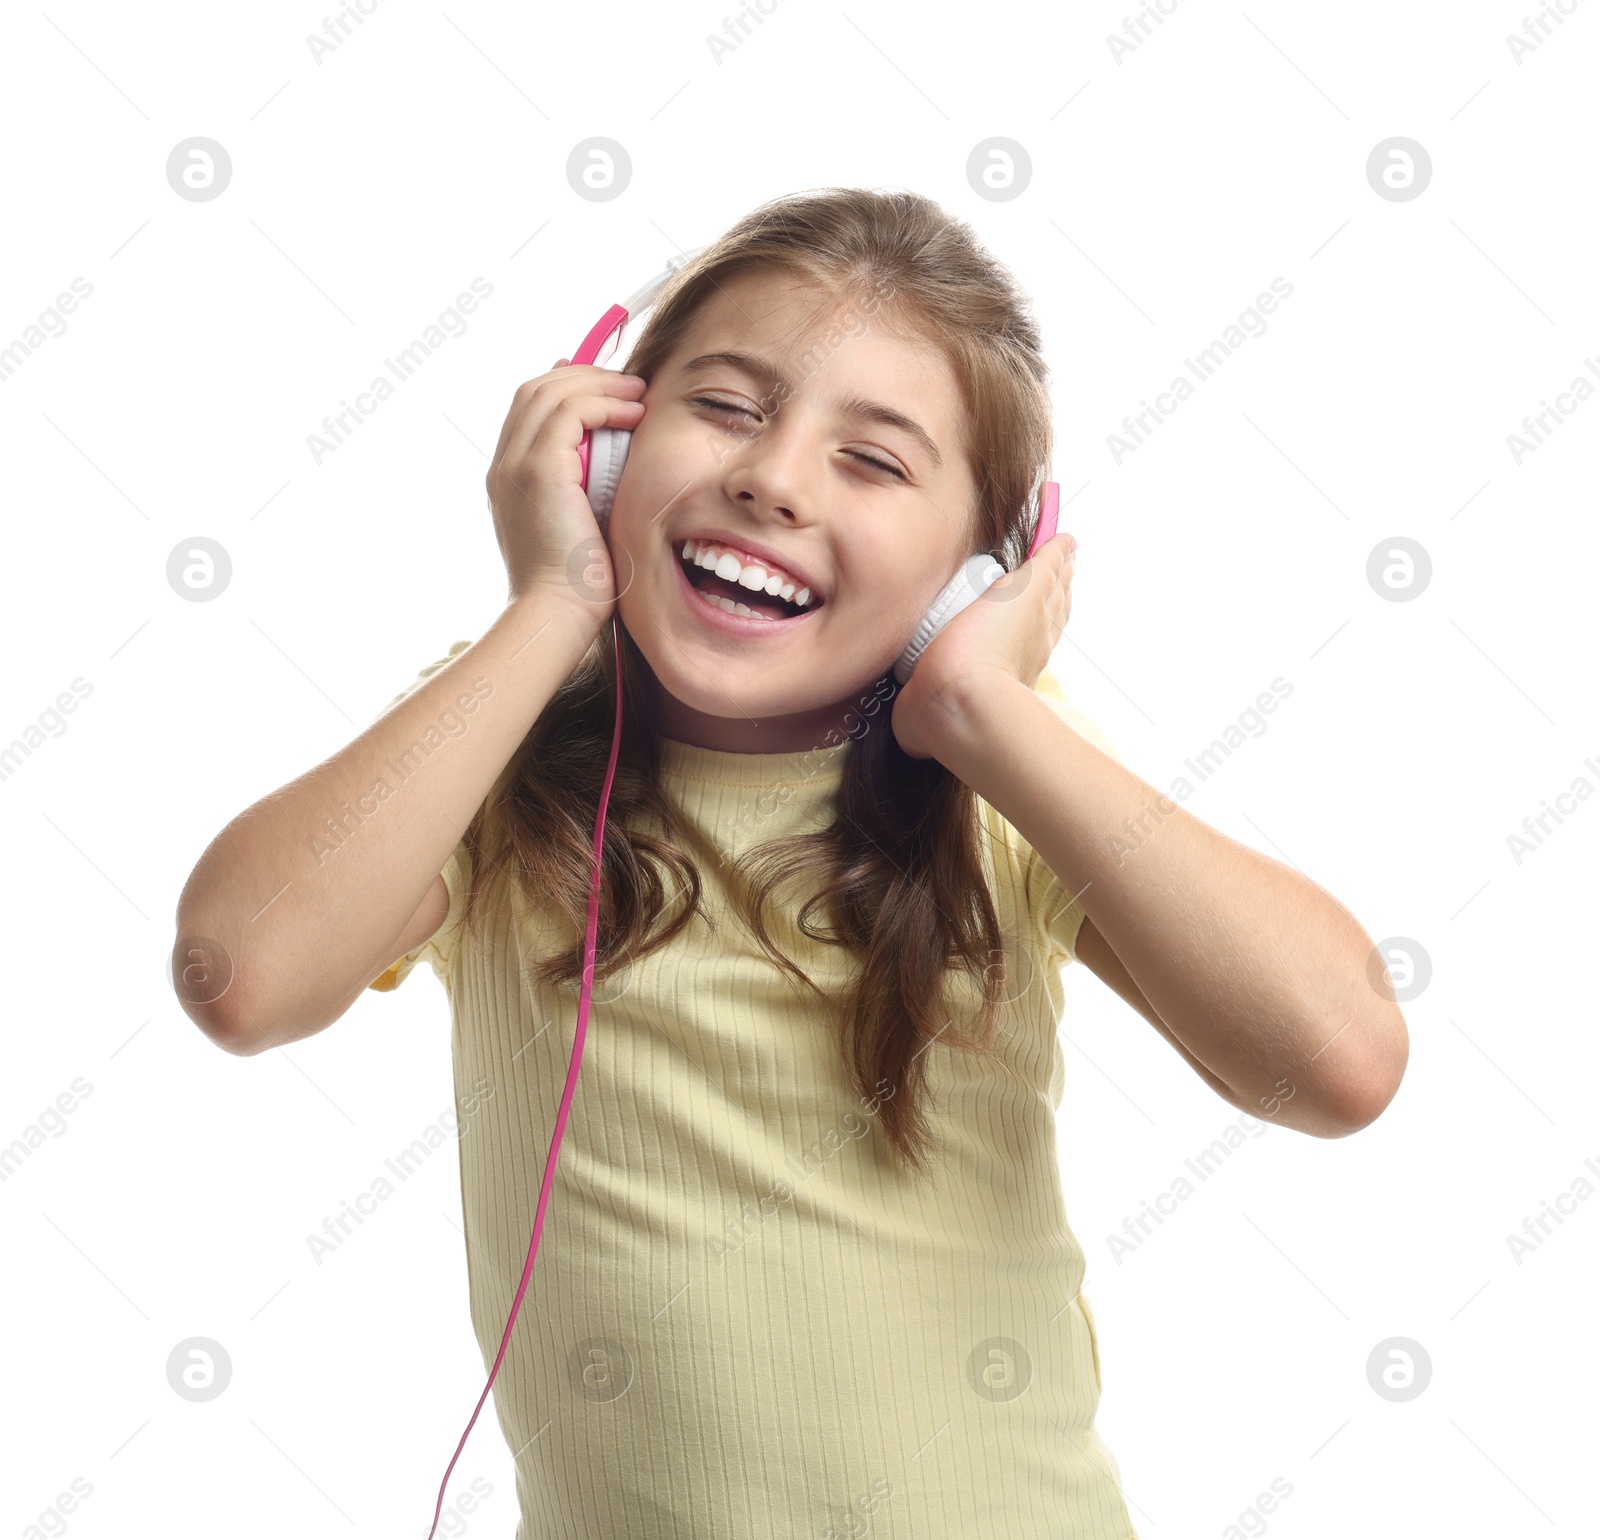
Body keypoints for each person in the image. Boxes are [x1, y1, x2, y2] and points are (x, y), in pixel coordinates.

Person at [174, 186, 1407, 1539]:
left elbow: (1336, 1060)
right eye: (726, 406)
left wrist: (985, 712)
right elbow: (245, 971)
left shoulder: (998, 782)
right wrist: (550, 607)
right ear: (596, 453)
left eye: (873, 462)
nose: (772, 478)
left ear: (975, 573)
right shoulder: (496, 760)